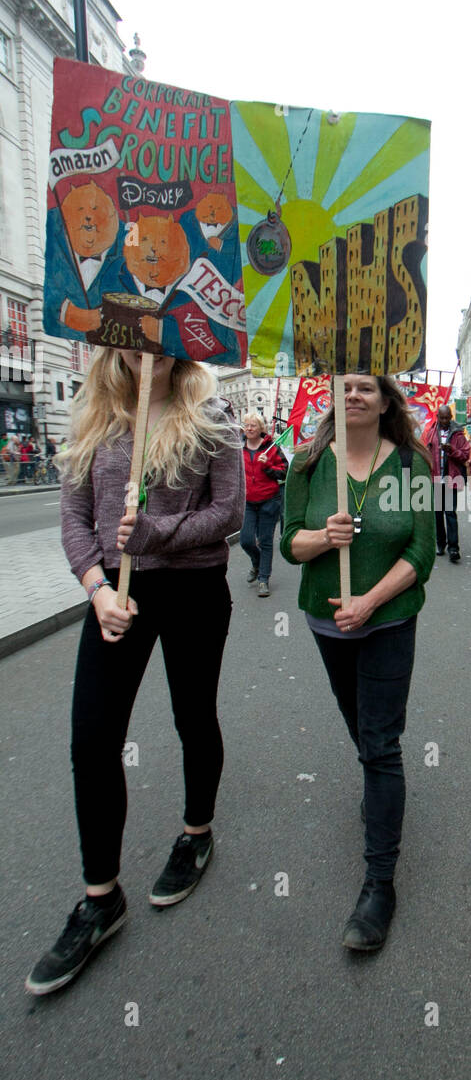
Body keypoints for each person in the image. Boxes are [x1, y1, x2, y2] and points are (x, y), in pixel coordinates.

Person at [25, 349, 244, 996]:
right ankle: (101, 898)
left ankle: (196, 833)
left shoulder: (212, 411)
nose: (140, 343)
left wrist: (158, 532)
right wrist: (97, 588)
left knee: (192, 717)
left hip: (195, 590)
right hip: (117, 599)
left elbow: (228, 512)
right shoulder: (93, 411)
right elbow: (74, 516)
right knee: (91, 740)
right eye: (127, 328)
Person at [281, 374, 435, 951]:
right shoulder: (308, 462)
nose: (354, 396)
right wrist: (324, 537)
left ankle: (379, 884)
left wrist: (370, 601)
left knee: (380, 740)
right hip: (326, 624)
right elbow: (287, 542)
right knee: (357, 725)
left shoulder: (410, 467)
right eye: (343, 388)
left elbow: (421, 552)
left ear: (386, 401)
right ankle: (376, 784)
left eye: (366, 388)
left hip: (389, 621)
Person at [239, 412, 288, 598]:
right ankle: (257, 562)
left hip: (269, 501)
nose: (249, 428)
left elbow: (284, 472)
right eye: (246, 425)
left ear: (261, 428)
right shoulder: (238, 447)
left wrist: (268, 466)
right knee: (246, 540)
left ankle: (263, 579)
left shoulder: (272, 448)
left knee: (266, 541)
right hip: (247, 502)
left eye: (253, 425)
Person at [428, 402, 470, 562]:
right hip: (436, 478)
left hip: (451, 478)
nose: (444, 420)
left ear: (451, 417)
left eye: (447, 418)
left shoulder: (458, 434)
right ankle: (440, 543)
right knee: (438, 514)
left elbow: (465, 455)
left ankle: (454, 548)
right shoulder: (432, 432)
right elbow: (425, 452)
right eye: (442, 418)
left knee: (450, 513)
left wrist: (452, 451)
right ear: (438, 417)